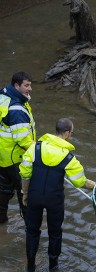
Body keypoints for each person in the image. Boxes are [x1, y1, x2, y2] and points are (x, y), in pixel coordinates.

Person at [19, 118, 95, 271]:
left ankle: (30, 265)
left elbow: (25, 173)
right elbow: (79, 182)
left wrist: (25, 193)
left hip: (34, 196)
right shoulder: (69, 158)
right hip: (55, 200)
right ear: (67, 133)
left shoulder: (35, 149)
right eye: (71, 133)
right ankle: (53, 265)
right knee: (55, 232)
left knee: (32, 231)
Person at [0, 71, 36, 223]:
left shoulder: (4, 97)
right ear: (16, 86)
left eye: (30, 85)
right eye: (26, 85)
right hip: (17, 159)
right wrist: (40, 150)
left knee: (2, 191)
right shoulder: (17, 110)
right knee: (25, 193)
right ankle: (31, 226)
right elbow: (23, 141)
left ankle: (2, 224)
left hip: (3, 156)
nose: (30, 89)